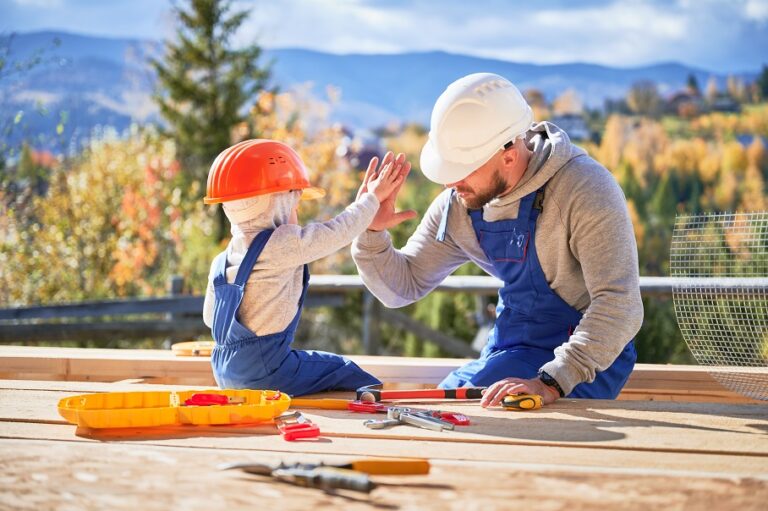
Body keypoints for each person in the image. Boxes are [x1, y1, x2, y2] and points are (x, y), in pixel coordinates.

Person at [352, 73, 643, 407]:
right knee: (442, 412)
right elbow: (402, 285)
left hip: (588, 362)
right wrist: (371, 232)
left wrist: (552, 381)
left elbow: (621, 305)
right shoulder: (462, 199)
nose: (450, 183)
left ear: (509, 153)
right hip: (511, 352)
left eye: (462, 168)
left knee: (476, 420)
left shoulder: (585, 189)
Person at [202, 138, 406, 396]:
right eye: (294, 205)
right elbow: (338, 231)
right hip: (268, 372)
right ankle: (370, 411)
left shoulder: (222, 260)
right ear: (276, 204)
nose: (297, 215)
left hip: (224, 372)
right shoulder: (281, 244)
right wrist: (372, 200)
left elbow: (211, 318)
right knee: (346, 371)